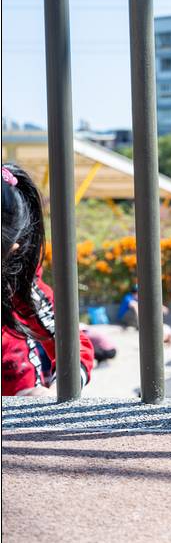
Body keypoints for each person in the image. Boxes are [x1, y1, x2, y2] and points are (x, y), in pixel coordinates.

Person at [2, 164, 95, 396]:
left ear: (12, 250)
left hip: (18, 399)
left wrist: (58, 389)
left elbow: (74, 348)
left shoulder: (19, 288)